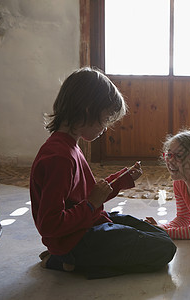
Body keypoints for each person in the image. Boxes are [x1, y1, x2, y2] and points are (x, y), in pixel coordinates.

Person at [30, 67, 176, 279]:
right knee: (164, 249)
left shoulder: (69, 146)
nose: (106, 127)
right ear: (88, 109)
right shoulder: (59, 157)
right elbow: (50, 225)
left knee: (160, 235)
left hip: (88, 224)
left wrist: (120, 181)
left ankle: (70, 258)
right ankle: (71, 260)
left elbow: (89, 194)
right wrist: (90, 204)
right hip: (78, 239)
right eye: (106, 118)